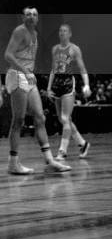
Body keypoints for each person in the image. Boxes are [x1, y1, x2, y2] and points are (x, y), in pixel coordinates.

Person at [4, 7, 71, 174]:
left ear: (38, 18)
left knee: (40, 117)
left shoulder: (35, 35)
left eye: (34, 14)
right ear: (22, 17)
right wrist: (26, 71)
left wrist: (30, 72)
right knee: (18, 120)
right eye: (28, 14)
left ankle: (49, 160)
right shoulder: (20, 31)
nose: (31, 16)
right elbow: (8, 55)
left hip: (29, 77)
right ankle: (13, 163)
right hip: (18, 75)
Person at [47, 24, 91, 160]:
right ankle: (82, 143)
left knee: (65, 118)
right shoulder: (55, 49)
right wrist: (49, 88)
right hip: (57, 85)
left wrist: (87, 85)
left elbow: (82, 68)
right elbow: (53, 70)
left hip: (68, 84)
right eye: (60, 31)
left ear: (70, 34)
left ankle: (62, 151)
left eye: (65, 31)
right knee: (63, 119)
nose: (62, 33)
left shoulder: (74, 49)